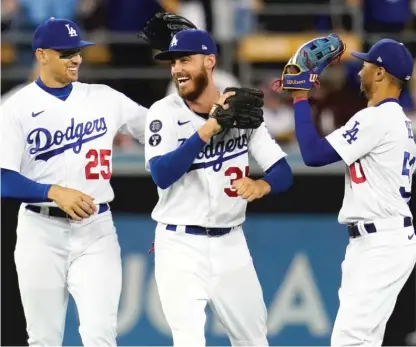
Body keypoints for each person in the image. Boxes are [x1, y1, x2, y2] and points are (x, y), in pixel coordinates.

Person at [0, 10, 196, 345]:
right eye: (66, 53)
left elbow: (161, 129)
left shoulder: (104, 98)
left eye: (78, 51)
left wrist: (186, 63)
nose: (75, 59)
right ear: (41, 56)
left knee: (101, 336)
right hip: (39, 232)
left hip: (95, 230)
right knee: (43, 339)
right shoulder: (16, 107)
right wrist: (52, 191)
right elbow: (4, 180)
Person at [144, 29, 293, 347]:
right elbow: (161, 173)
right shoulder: (164, 112)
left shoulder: (240, 111)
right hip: (179, 244)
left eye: (185, 59)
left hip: (231, 244)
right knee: (188, 341)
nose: (177, 69)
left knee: (254, 341)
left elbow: (282, 171)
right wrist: (208, 128)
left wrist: (262, 184)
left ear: (209, 61)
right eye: (172, 62)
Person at [285, 39, 416, 346]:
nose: (360, 70)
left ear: (381, 73)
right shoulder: (399, 121)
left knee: (350, 339)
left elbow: (313, 155)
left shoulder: (378, 118)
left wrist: (301, 98)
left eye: (367, 64)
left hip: (381, 241)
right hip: (382, 238)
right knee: (362, 340)